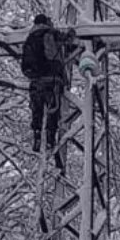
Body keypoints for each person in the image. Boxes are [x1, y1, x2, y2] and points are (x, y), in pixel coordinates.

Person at [21, 14, 70, 152]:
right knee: (52, 110)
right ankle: (50, 139)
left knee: (37, 110)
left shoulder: (30, 38)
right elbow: (65, 38)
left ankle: (36, 136)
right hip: (51, 79)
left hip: (35, 81)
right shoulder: (49, 33)